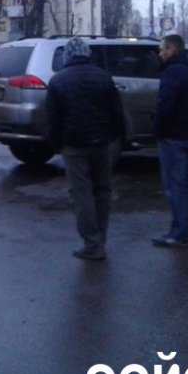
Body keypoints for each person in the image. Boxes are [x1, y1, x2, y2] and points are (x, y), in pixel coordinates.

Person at [44, 37, 124, 261]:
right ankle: (101, 240)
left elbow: (52, 118)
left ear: (67, 56)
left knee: (82, 194)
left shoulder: (58, 80)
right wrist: (115, 137)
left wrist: (57, 143)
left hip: (73, 145)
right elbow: (116, 111)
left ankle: (92, 243)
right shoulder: (103, 76)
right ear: (87, 53)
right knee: (103, 190)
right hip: (102, 143)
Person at [152, 34, 188, 248]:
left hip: (173, 136)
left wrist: (157, 129)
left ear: (172, 49)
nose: (160, 53)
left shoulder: (172, 72)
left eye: (162, 49)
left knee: (176, 187)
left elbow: (165, 104)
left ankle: (180, 232)